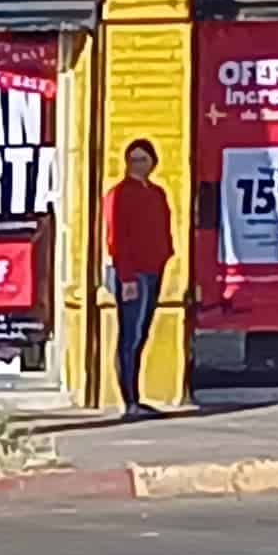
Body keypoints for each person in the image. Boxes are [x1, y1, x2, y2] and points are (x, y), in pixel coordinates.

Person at [105, 139, 174, 419]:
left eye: (143, 159)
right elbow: (116, 238)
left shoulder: (157, 193)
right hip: (132, 274)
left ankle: (138, 397)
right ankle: (129, 401)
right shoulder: (119, 194)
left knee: (142, 333)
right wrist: (127, 276)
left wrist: (166, 256)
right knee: (129, 336)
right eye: (133, 160)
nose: (138, 165)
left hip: (154, 269)